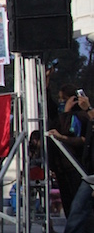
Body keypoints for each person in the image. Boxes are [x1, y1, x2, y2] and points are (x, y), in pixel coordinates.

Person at [46, 96, 94, 233]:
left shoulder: (83, 116)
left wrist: (86, 109)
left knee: (82, 208)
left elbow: (77, 138)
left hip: (77, 168)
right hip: (87, 171)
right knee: (78, 207)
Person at [47, 84, 89, 218]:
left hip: (75, 166)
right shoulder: (60, 116)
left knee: (78, 205)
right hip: (61, 167)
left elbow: (69, 133)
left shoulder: (80, 116)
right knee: (68, 203)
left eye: (63, 99)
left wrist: (67, 111)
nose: (60, 102)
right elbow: (52, 111)